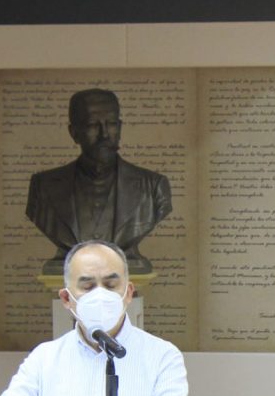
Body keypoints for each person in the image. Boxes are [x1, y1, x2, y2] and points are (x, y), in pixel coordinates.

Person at [0, 240, 188, 396]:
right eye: (87, 286)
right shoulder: (44, 357)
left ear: (128, 293)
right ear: (66, 298)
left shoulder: (163, 355)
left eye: (111, 285)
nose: (100, 295)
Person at [26, 88, 172, 274]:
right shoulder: (43, 188)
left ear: (119, 128)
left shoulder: (153, 187)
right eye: (93, 125)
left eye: (111, 124)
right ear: (74, 133)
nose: (104, 134)